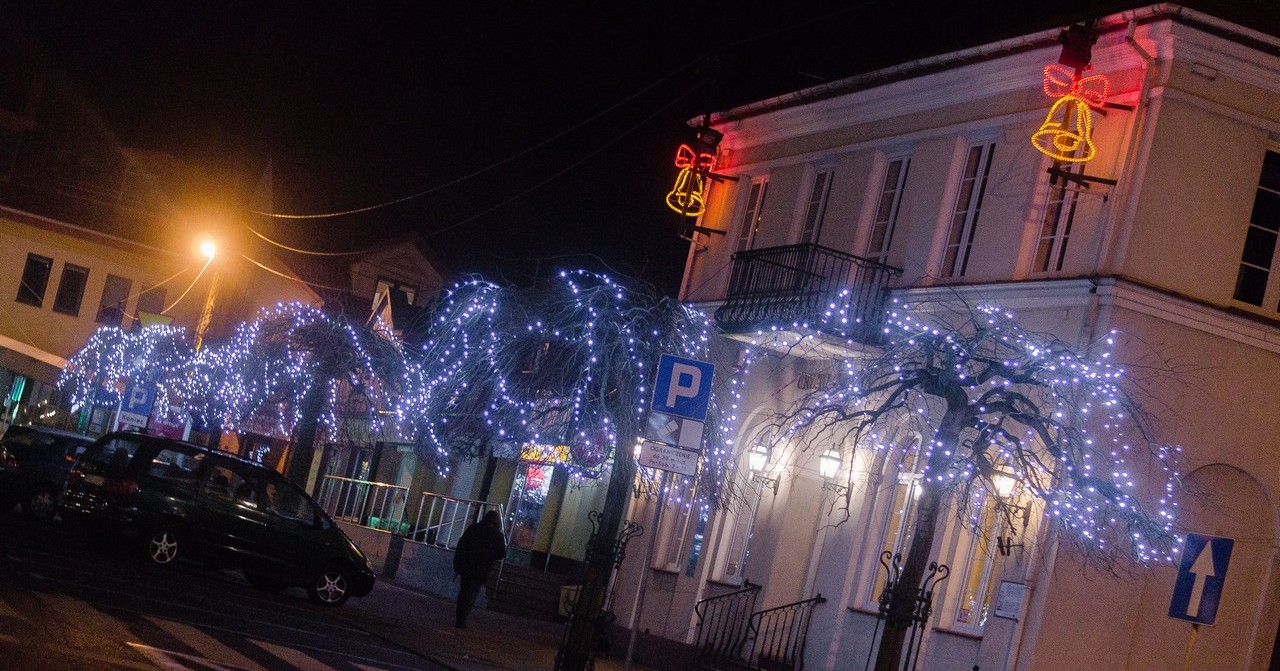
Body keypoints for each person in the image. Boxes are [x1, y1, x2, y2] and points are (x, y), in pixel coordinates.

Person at [452, 510, 507, 628]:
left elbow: (462, 545)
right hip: (482, 569)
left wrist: (458, 564)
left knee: (464, 591)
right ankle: (463, 618)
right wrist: (489, 555)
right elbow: (501, 554)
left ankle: (459, 617)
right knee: (472, 593)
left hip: (467, 565)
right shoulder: (497, 534)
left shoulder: (473, 528)